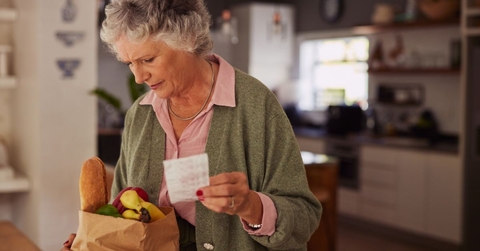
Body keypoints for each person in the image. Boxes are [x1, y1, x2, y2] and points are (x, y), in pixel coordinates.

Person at [61, 0, 321, 250]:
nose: (139, 76)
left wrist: (251, 205)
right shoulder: (139, 116)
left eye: (148, 59)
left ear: (186, 39)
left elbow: (304, 217)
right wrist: (94, 239)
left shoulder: (255, 105)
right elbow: (122, 217)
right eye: (130, 63)